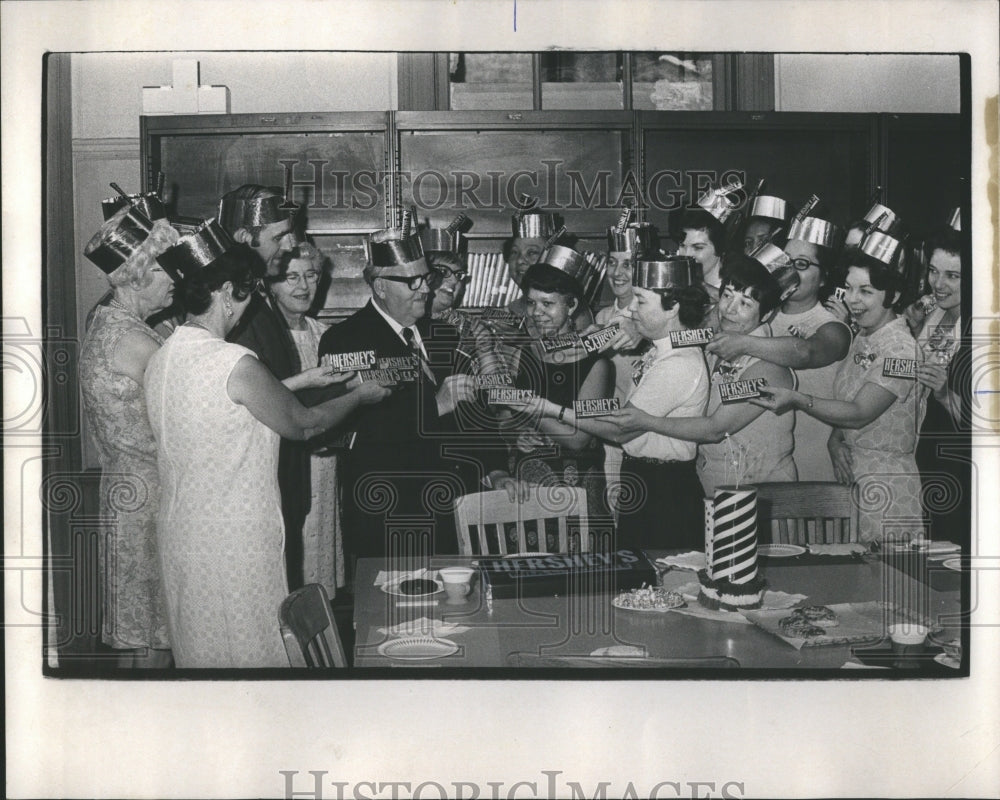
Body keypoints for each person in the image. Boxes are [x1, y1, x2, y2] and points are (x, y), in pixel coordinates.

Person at [146, 224, 388, 668]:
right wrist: (358, 395)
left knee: (203, 647)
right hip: (236, 535)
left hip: (183, 531)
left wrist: (308, 379)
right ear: (224, 294)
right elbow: (305, 424)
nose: (248, 305)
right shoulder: (232, 361)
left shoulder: (165, 356)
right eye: (246, 294)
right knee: (254, 647)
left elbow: (231, 406)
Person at [318, 226, 516, 562]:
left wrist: (495, 468)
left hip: (455, 509)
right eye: (413, 281)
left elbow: (472, 415)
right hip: (392, 514)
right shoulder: (345, 340)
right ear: (380, 286)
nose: (426, 288)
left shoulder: (444, 334)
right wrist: (435, 405)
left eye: (426, 278)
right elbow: (353, 430)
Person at [515, 255, 710, 551]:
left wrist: (548, 408)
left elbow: (621, 429)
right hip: (643, 476)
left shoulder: (678, 363)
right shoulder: (659, 351)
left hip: (666, 487)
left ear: (673, 308)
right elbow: (614, 412)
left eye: (641, 301)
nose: (631, 308)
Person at [751, 231, 926, 543]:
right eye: (849, 288)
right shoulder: (866, 334)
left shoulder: (901, 349)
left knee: (884, 579)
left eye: (866, 291)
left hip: (885, 482)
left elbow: (860, 412)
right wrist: (835, 439)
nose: (853, 300)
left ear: (894, 296)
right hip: (849, 475)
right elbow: (850, 398)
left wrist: (796, 398)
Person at [79, 207, 180, 668]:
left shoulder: (109, 325)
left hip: (124, 491)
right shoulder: (136, 341)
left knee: (140, 629)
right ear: (135, 275)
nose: (172, 277)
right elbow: (192, 414)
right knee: (154, 635)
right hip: (149, 496)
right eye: (161, 268)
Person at [611, 253, 796, 497]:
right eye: (727, 295)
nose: (730, 309)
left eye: (745, 303)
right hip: (710, 487)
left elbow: (714, 429)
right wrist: (632, 326)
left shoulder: (770, 368)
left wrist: (646, 421)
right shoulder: (712, 341)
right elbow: (666, 334)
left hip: (762, 495)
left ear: (766, 315)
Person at [217, 184, 312, 589]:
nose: (290, 245)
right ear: (244, 238)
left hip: (279, 483)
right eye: (279, 236)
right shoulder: (227, 307)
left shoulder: (257, 293)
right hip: (253, 493)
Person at [706, 214, 849, 481]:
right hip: (755, 459)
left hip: (814, 456)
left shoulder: (833, 327)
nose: (790, 270)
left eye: (802, 264)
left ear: (823, 278)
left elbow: (806, 352)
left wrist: (744, 342)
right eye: (785, 260)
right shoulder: (756, 311)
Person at [501, 244, 615, 548]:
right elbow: (502, 418)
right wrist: (514, 434)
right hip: (525, 493)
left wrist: (530, 413)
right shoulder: (523, 355)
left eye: (548, 304)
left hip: (578, 498)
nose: (537, 313)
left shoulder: (597, 363)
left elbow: (579, 438)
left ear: (572, 305)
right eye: (531, 303)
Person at [267, 242, 345, 597]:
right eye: (291, 277)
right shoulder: (263, 335)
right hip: (283, 464)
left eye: (311, 275)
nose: (303, 286)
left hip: (325, 464)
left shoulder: (326, 334)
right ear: (270, 283)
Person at [591, 218, 659, 519]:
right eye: (612, 262)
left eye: (628, 264)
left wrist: (642, 331)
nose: (617, 273)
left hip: (640, 441)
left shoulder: (658, 320)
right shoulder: (602, 315)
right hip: (605, 438)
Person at [910, 225, 969, 540]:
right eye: (934, 271)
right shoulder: (934, 314)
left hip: (960, 473)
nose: (938, 284)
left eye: (952, 276)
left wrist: (946, 395)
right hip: (927, 460)